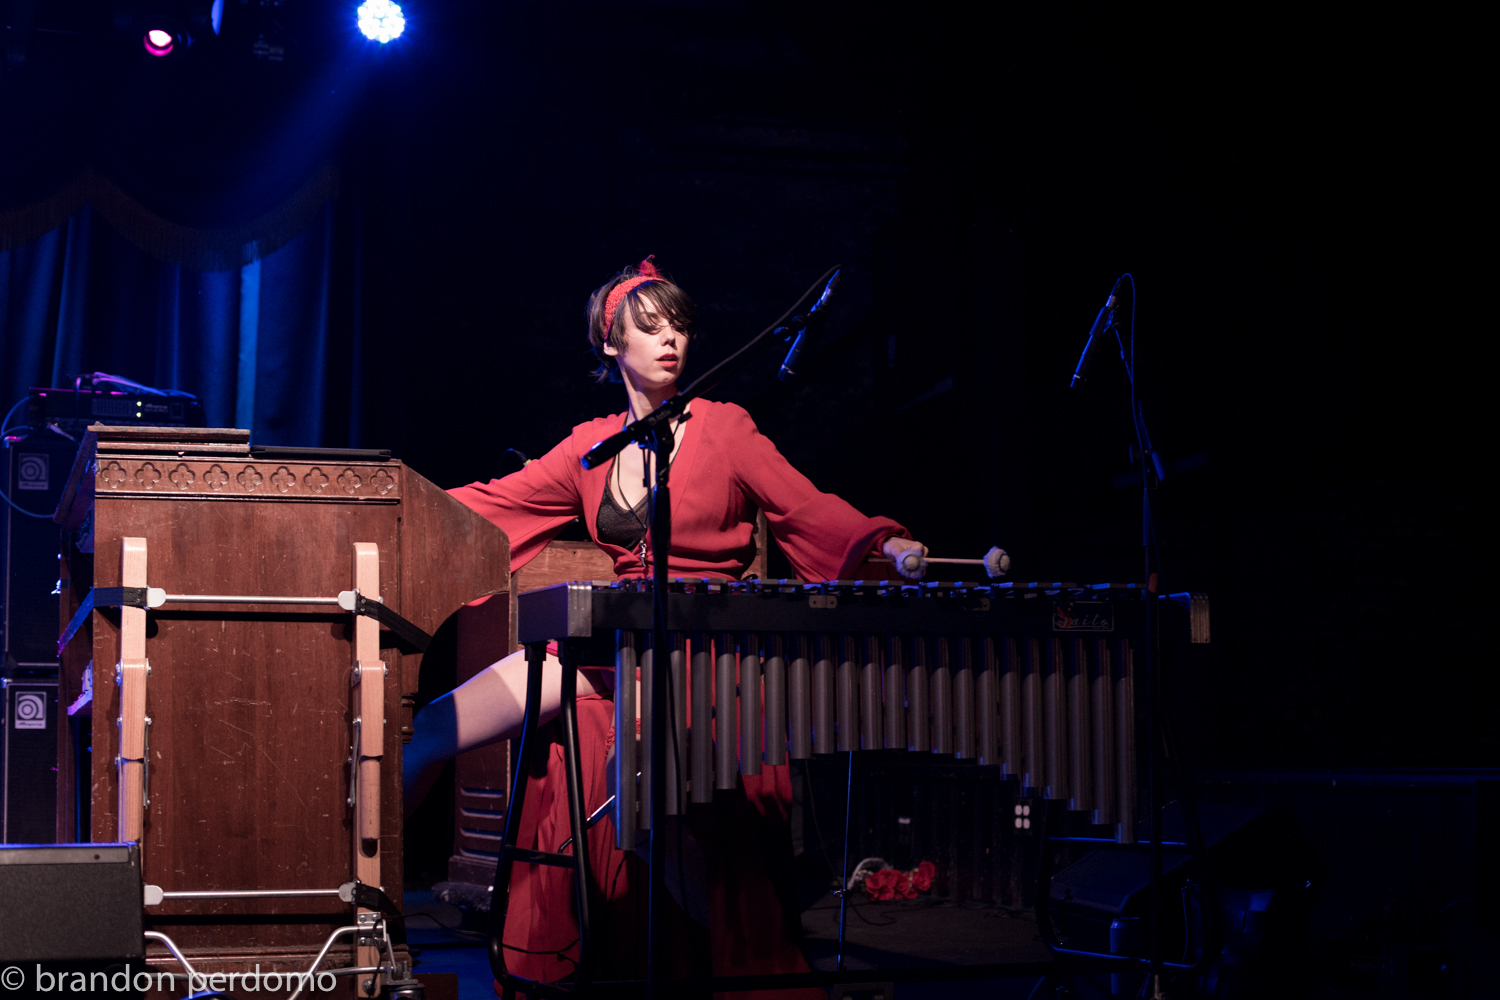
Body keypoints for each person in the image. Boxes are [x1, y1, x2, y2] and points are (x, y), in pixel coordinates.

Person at [403, 257, 927, 996]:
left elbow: (806, 508)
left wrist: (885, 544)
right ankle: (356, 917)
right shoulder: (592, 447)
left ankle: (740, 964)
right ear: (610, 344)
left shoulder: (726, 427)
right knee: (434, 729)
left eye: (677, 324)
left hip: (704, 651)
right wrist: (390, 506)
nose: (669, 339)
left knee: (639, 810)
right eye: (648, 328)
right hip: (614, 646)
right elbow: (486, 507)